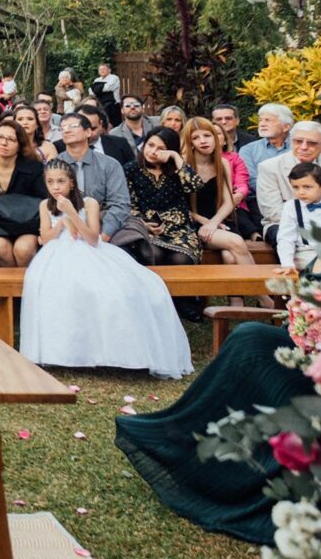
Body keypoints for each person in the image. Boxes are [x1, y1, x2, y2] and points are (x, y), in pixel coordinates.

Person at [115, 166, 321, 543]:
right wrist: (307, 313)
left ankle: (255, 484)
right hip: (314, 357)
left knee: (264, 354)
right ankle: (182, 441)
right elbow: (308, 298)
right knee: (249, 337)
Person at [19, 161, 192, 377]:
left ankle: (110, 351)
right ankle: (61, 353)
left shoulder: (89, 203)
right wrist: (62, 223)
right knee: (56, 289)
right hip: (55, 255)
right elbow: (45, 239)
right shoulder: (45, 205)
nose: (56, 187)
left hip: (88, 250)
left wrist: (72, 213)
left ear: (71, 183)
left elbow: (92, 239)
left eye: (61, 181)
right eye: (51, 182)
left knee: (113, 290)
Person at [56, 106, 148, 260]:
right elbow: (49, 203)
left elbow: (120, 204)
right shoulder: (54, 165)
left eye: (73, 126)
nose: (67, 130)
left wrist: (105, 234)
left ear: (88, 132)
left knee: (126, 250)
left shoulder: (109, 164)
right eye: (63, 127)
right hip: (66, 223)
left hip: (103, 221)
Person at [125, 128, 210, 263]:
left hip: (180, 229)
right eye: (150, 145)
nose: (153, 151)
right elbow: (129, 203)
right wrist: (143, 224)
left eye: (161, 148)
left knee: (181, 259)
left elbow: (195, 186)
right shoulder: (131, 169)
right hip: (149, 228)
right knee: (152, 253)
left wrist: (176, 157)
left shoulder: (176, 168)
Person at [179, 117, 255, 262]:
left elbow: (228, 202)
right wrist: (206, 223)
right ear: (190, 142)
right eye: (196, 137)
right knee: (237, 243)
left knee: (230, 257)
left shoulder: (223, 163)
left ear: (215, 137)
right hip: (191, 222)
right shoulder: (182, 163)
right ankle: (260, 285)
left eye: (207, 135)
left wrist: (214, 222)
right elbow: (176, 205)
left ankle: (243, 285)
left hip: (219, 220)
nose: (203, 141)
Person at [0, 120, 47, 267]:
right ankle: (9, 289)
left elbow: (42, 199)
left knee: (24, 249)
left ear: (20, 144)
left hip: (25, 222)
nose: (4, 143)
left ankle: (27, 288)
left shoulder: (34, 167)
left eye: (11, 139)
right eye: (0, 137)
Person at [256, 120, 321, 243]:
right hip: (284, 224)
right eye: (298, 141)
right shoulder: (269, 167)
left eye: (311, 143)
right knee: (286, 237)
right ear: (290, 142)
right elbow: (273, 212)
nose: (304, 147)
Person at [275, 161, 321, 277]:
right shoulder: (291, 207)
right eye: (296, 187)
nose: (301, 192)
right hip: (307, 252)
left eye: (307, 187)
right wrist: (287, 263)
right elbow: (286, 238)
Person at [237, 104, 294, 191]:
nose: (262, 124)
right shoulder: (248, 150)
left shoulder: (299, 147)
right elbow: (252, 181)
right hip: (261, 199)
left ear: (286, 127)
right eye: (260, 120)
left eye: (268, 120)